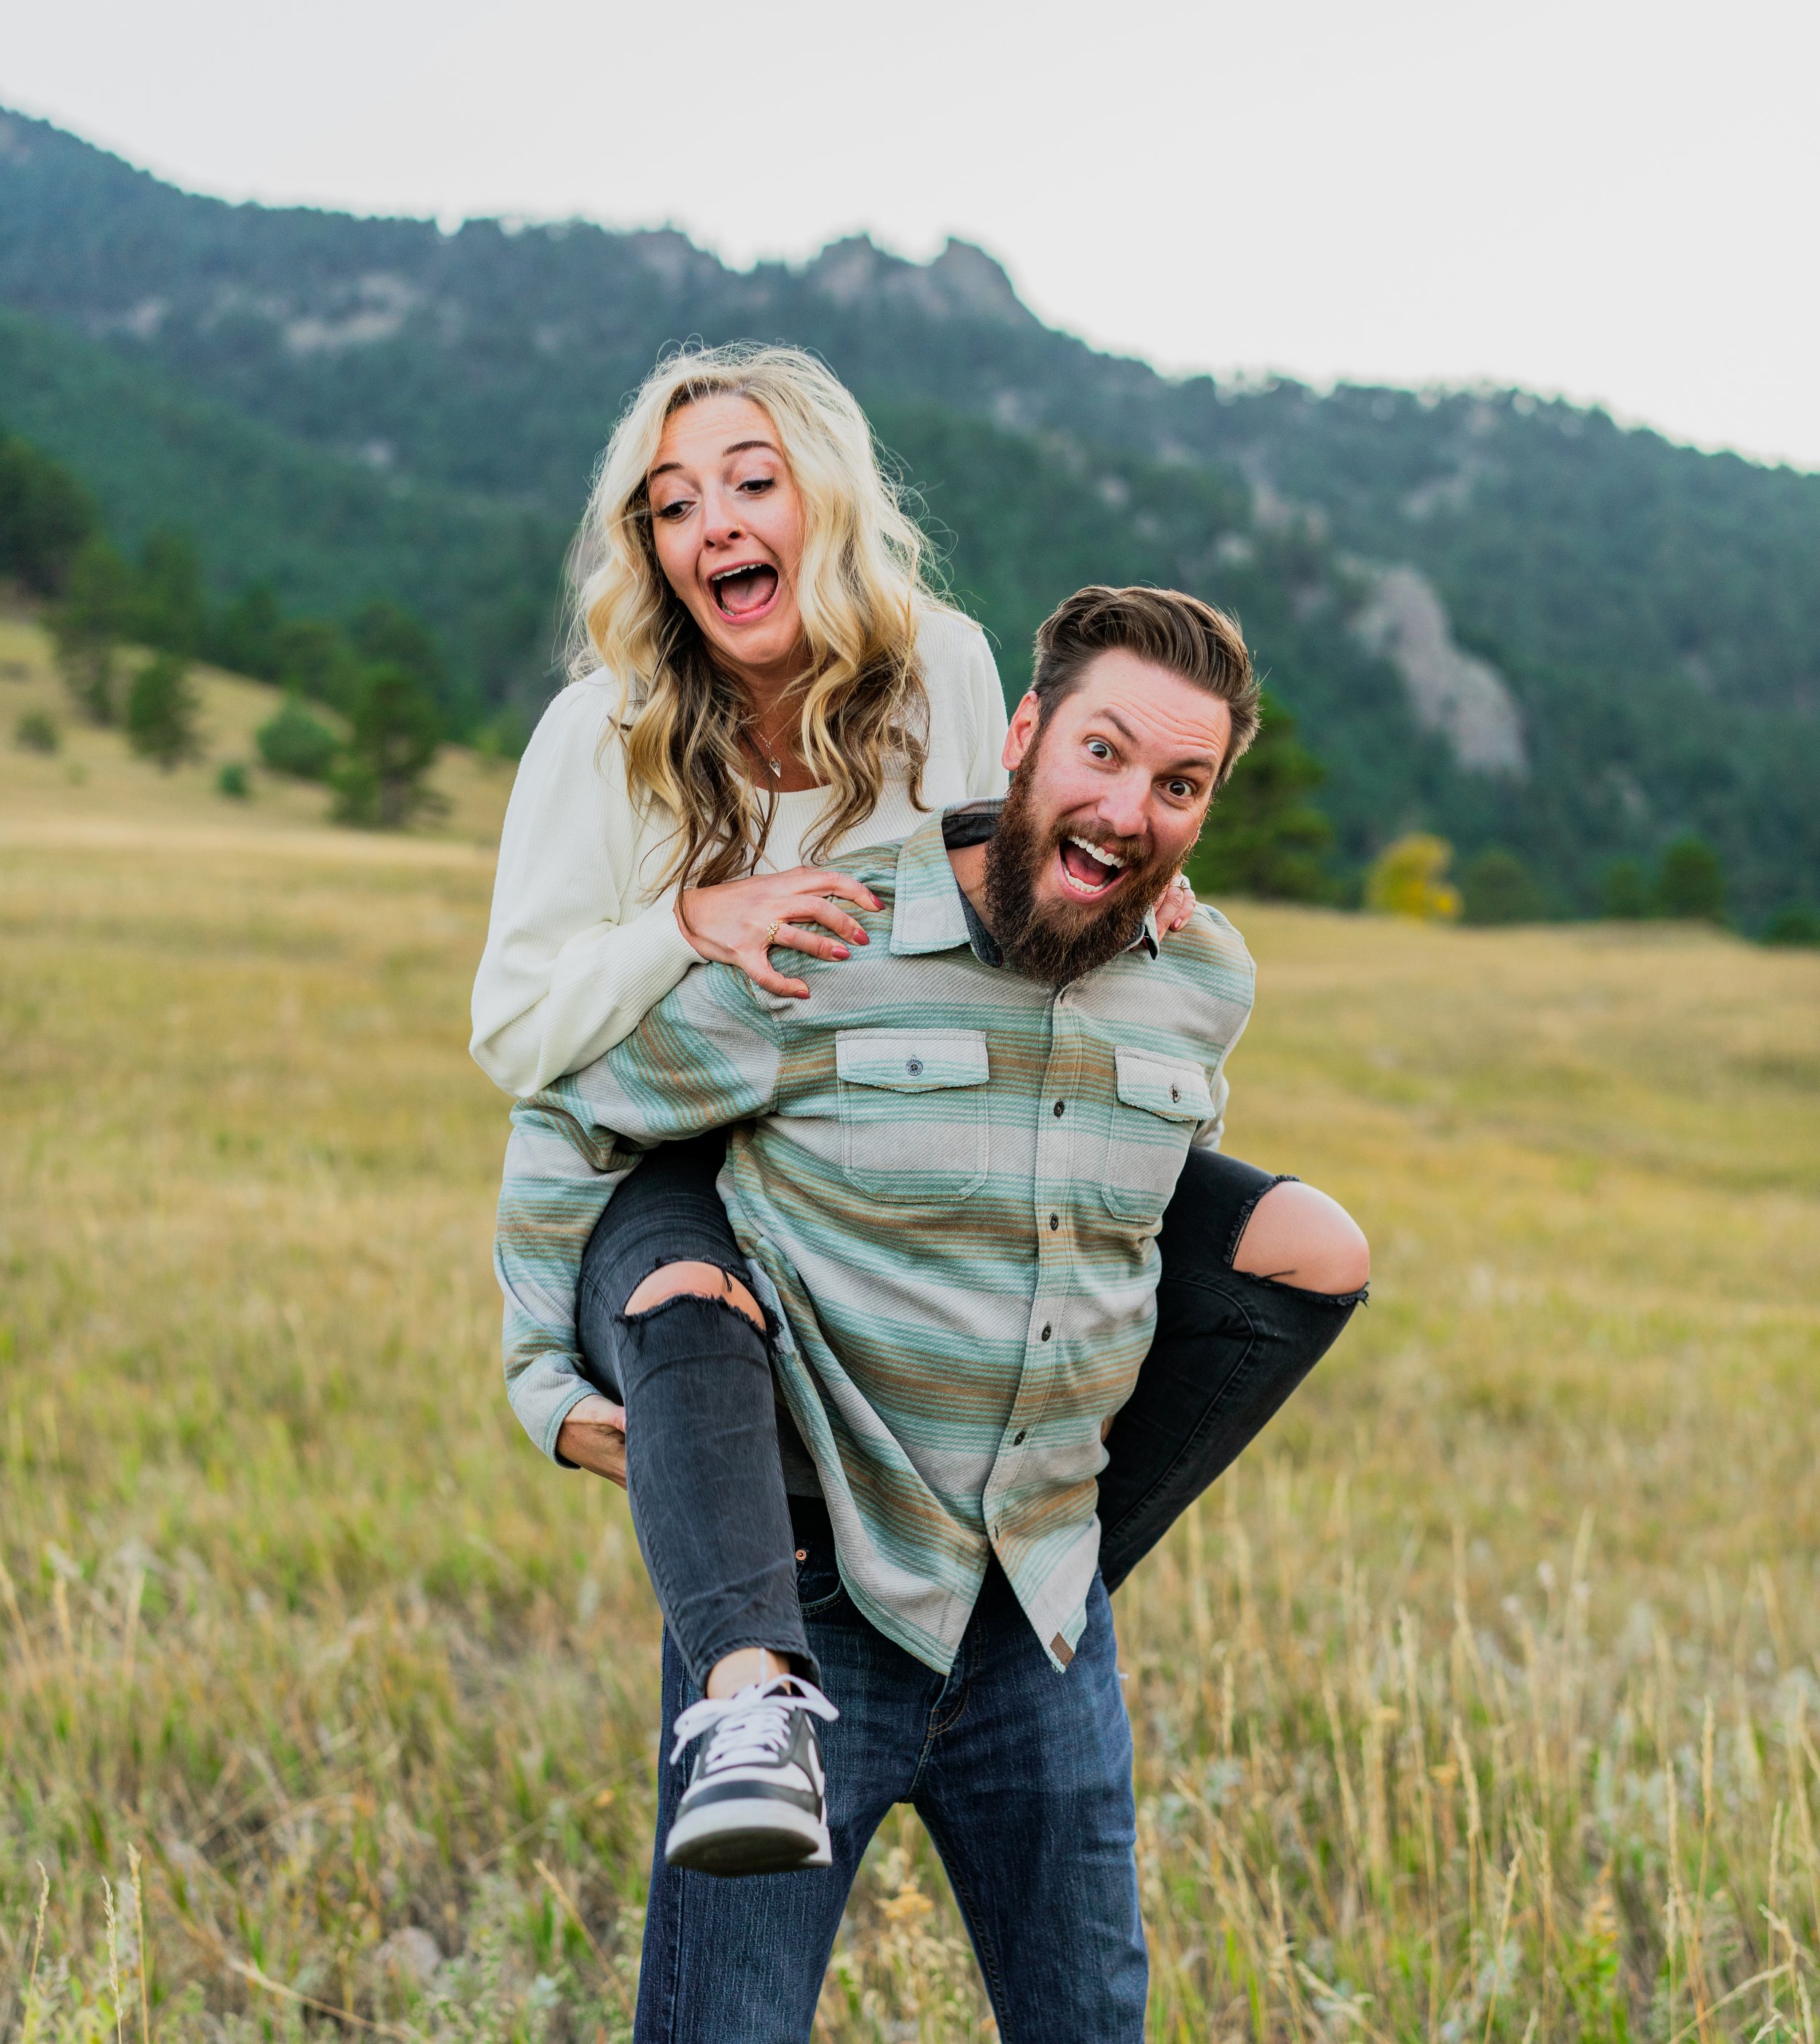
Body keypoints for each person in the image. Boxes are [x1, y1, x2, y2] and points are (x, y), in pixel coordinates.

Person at [472, 343, 1366, 1874]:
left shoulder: (943, 664)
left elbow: (999, 879)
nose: (715, 524)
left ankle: (1036, 1583)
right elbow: (515, 1034)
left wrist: (1128, 862)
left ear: (824, 500)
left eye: (752, 482)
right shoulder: (598, 732)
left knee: (1297, 1248)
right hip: (693, 1128)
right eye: (674, 503)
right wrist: (692, 920)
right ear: (649, 546)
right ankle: (760, 1685)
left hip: (915, 1112)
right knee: (693, 1292)